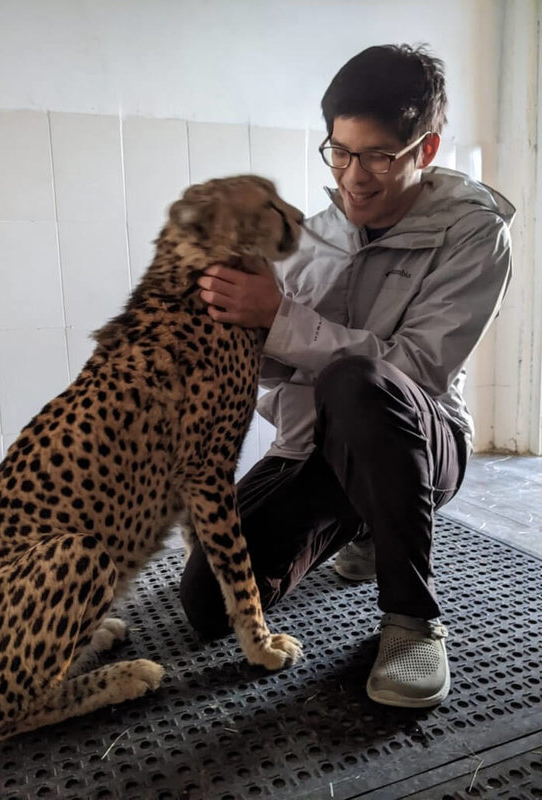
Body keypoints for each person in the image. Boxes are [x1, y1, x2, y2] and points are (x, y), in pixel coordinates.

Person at [179, 44, 514, 708]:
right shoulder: (313, 237)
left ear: (426, 146)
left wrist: (278, 317)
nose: (355, 177)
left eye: (379, 156)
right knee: (207, 603)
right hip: (311, 445)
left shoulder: (474, 235)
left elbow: (413, 370)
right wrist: (231, 322)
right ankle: (366, 520)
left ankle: (413, 621)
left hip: (422, 439)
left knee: (359, 381)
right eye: (341, 151)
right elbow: (283, 358)